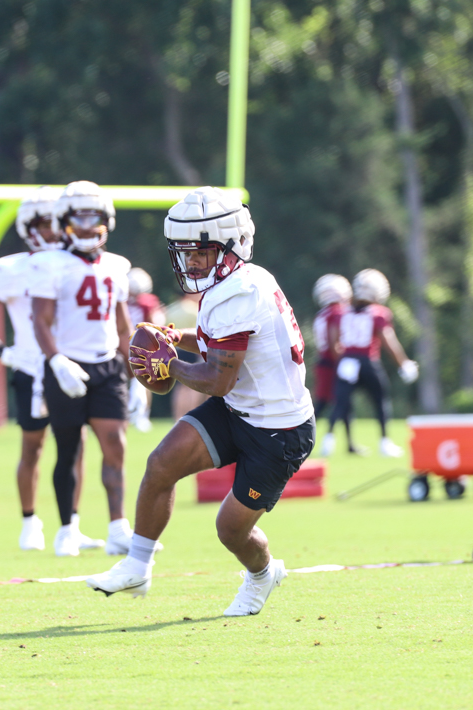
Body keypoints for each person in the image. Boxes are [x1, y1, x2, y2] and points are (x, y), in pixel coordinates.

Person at [86, 186, 315, 617]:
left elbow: (217, 379)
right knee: (161, 464)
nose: (190, 261)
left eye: (201, 252)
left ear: (232, 245)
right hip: (242, 409)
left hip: (278, 430)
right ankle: (137, 565)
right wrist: (178, 337)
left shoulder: (239, 293)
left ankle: (263, 575)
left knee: (230, 530)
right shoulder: (239, 280)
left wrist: (169, 363)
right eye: (184, 252)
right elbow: (219, 344)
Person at [0, 185, 102, 554]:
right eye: (44, 222)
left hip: (71, 363)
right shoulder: (15, 268)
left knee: (77, 446)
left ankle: (70, 524)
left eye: (56, 221)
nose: (53, 230)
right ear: (28, 227)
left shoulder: (79, 263)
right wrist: (1, 351)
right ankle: (29, 520)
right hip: (31, 366)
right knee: (33, 446)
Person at [29, 181, 147, 557]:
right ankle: (69, 527)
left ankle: (118, 528)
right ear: (64, 221)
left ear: (106, 221)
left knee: (116, 445)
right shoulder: (50, 263)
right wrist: (56, 360)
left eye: (93, 217)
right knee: (69, 449)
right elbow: (40, 320)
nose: (85, 226)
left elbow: (124, 326)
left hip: (107, 364)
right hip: (67, 364)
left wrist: (137, 376)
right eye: (78, 218)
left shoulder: (116, 266)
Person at [321, 269, 418, 458]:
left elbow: (333, 341)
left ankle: (328, 441)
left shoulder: (341, 312)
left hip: (347, 362)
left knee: (340, 403)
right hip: (367, 361)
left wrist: (342, 360)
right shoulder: (379, 313)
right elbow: (389, 341)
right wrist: (403, 363)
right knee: (380, 400)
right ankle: (384, 442)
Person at [311, 274, 366, 456]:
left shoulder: (323, 313)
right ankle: (299, 438)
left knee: (342, 403)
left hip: (324, 362)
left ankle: (350, 444)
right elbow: (336, 342)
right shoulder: (337, 312)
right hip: (334, 362)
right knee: (325, 404)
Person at [125, 267, 165, 432]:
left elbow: (156, 323)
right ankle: (129, 415)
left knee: (144, 381)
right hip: (124, 344)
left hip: (139, 346)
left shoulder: (148, 302)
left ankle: (141, 416)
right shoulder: (121, 299)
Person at [163, 291, 208, 421]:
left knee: (179, 386)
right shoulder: (194, 310)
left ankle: (178, 416)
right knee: (193, 385)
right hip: (192, 348)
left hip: (174, 350)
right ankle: (191, 416)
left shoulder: (171, 309)